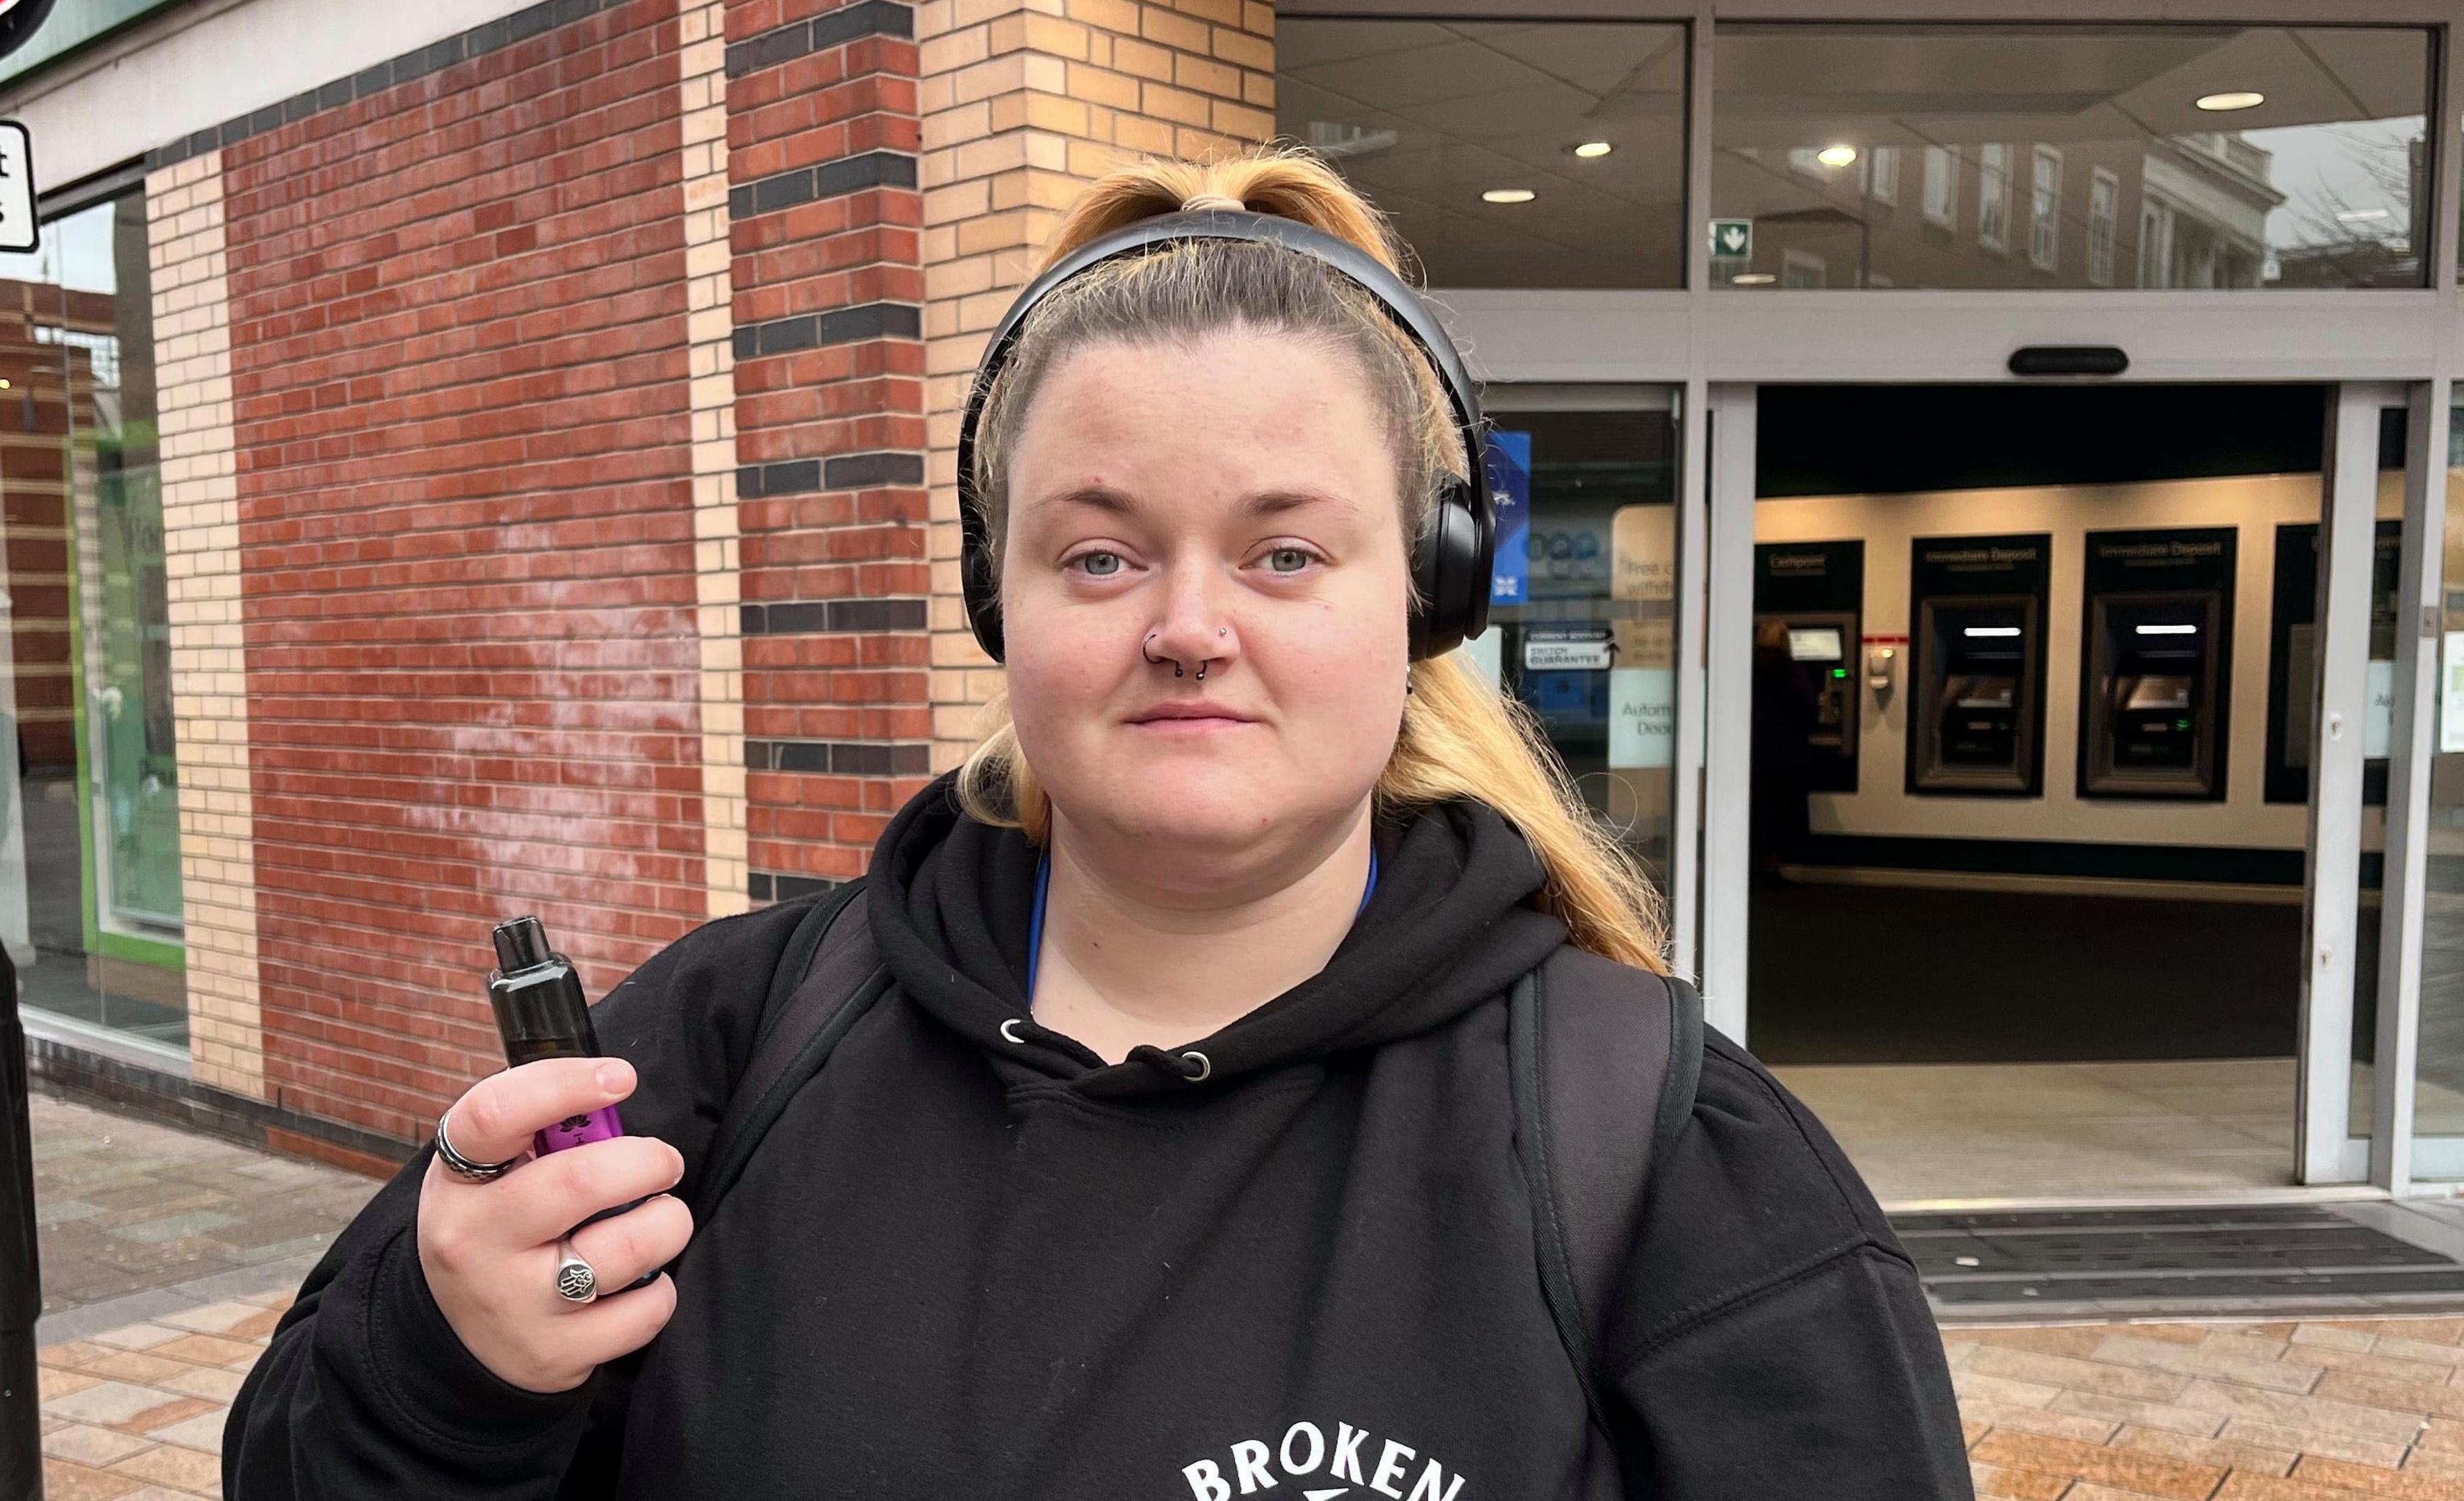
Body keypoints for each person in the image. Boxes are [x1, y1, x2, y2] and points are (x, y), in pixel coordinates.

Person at [225, 149, 1969, 1499]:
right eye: (1101, 552)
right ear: (999, 603)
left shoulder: (1659, 1152)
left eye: (1284, 550)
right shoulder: (715, 1051)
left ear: (1430, 597)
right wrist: (447, 1361)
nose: (1188, 625)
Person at [1750, 618, 1823, 885]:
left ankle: (1753, 867)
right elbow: (1810, 712)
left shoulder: (1748, 670)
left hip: (1755, 755)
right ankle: (1772, 867)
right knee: (1780, 816)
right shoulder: (1794, 673)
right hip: (1787, 757)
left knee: (1758, 814)